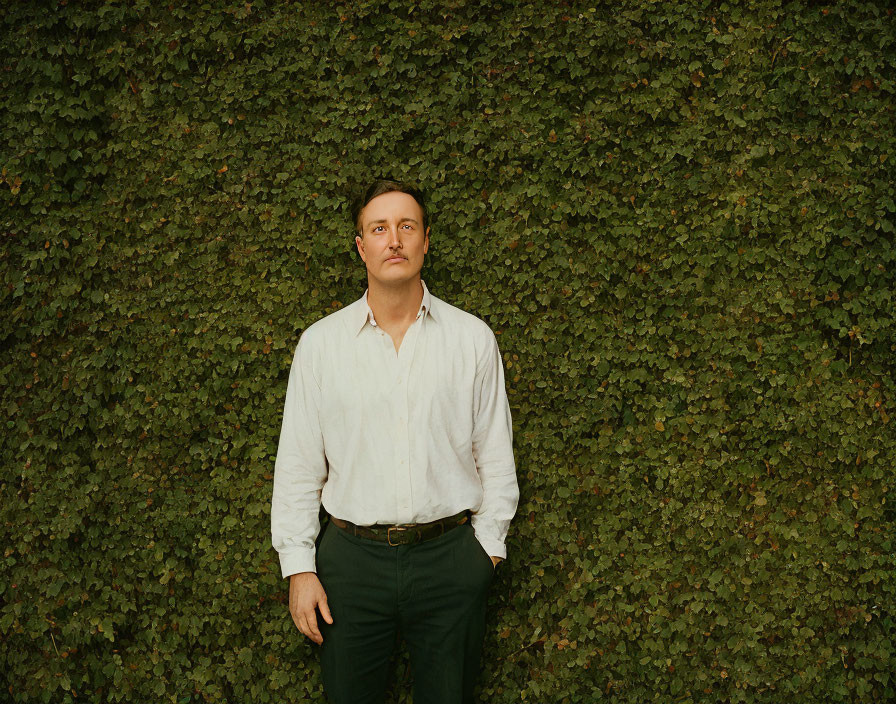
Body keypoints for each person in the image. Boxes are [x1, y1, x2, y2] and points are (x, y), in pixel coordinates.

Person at [270, 178, 519, 704]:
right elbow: (298, 466)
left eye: (406, 226)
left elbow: (494, 455)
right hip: (350, 567)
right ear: (361, 246)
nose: (394, 240)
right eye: (378, 228)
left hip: (450, 559)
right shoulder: (320, 346)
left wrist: (486, 552)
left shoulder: (472, 339)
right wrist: (299, 567)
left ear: (425, 240)